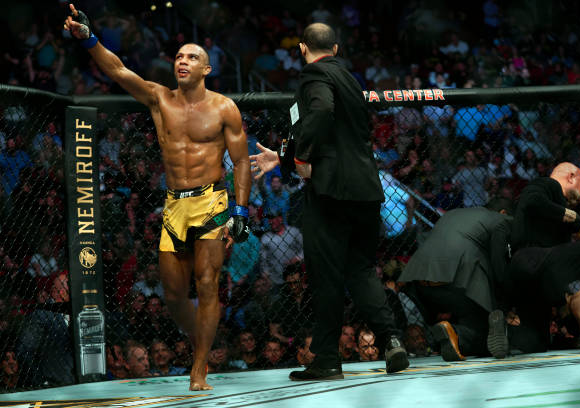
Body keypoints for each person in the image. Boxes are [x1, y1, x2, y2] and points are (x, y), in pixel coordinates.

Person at [64, 4, 251, 391]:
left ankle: (199, 368)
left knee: (207, 282)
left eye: (192, 57)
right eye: (180, 56)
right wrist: (90, 39)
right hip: (174, 204)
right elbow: (117, 70)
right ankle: (201, 339)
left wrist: (241, 209)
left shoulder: (224, 108)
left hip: (212, 202)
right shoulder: (158, 99)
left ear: (206, 69)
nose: (183, 61)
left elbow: (242, 160)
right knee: (172, 294)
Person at [249, 22, 409, 380]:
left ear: (303, 48)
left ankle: (327, 359)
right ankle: (392, 340)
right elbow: (337, 134)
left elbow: (320, 112)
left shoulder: (313, 76)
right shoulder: (351, 79)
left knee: (326, 275)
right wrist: (283, 156)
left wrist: (302, 158)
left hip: (330, 191)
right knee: (363, 270)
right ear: (336, 49)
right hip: (366, 189)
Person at [509, 162, 580, 352]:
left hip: (527, 274)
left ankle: (500, 332)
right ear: (571, 177)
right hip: (532, 257)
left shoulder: (555, 208)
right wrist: (570, 216)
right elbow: (532, 200)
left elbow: (562, 263)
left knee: (534, 343)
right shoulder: (549, 185)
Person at [398, 199, 514, 361]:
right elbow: (499, 266)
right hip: (456, 280)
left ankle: (446, 336)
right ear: (503, 213)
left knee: (470, 313)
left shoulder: (453, 213)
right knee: (484, 332)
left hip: (420, 280)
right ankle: (457, 334)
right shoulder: (501, 220)